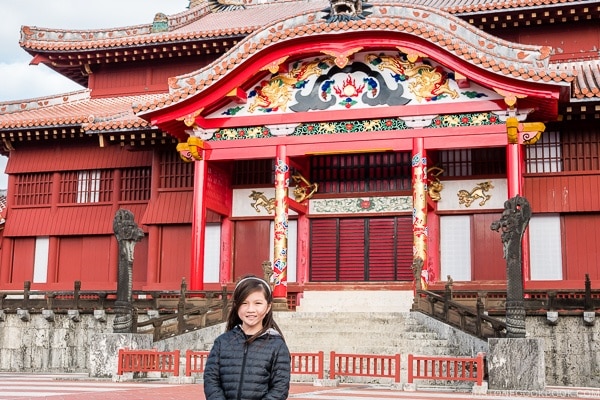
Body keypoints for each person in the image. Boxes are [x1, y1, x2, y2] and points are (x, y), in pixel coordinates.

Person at [203, 275, 291, 400]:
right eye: (244, 303)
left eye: (258, 303)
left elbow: (280, 388)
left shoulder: (277, 345)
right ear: (236, 306)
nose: (250, 309)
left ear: (268, 307)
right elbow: (211, 380)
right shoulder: (222, 342)